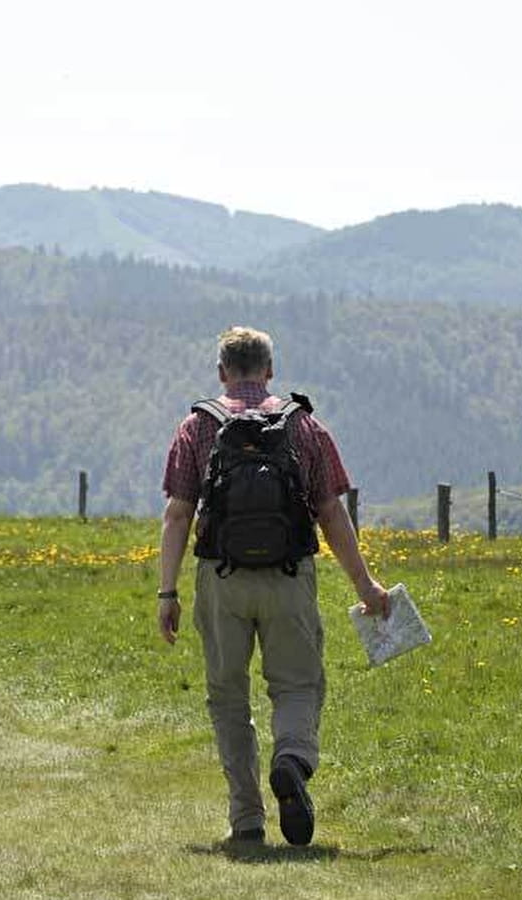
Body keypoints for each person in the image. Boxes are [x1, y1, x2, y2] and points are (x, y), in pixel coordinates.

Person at [157, 325, 390, 848]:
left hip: (221, 580)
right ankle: (292, 759)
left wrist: (167, 593)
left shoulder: (196, 427)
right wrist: (366, 586)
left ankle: (246, 820)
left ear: (221, 372)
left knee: (228, 697)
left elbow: (177, 514)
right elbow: (331, 512)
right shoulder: (304, 426)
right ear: (270, 370)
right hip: (289, 579)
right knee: (298, 684)